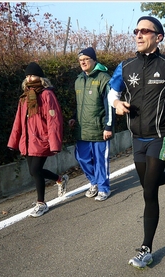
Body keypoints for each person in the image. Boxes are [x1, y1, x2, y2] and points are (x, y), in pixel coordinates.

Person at [108, 16, 165, 269]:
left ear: (158, 37)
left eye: (145, 31)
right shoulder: (125, 66)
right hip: (137, 137)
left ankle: (146, 249)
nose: (138, 35)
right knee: (148, 182)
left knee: (149, 190)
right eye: (136, 30)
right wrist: (116, 103)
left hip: (162, 135)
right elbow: (111, 92)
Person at [7, 62, 68, 217]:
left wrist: (54, 143)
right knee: (34, 171)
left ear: (40, 77)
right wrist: (13, 142)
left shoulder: (47, 94)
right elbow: (18, 121)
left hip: (42, 140)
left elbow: (54, 120)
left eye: (32, 75)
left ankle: (41, 203)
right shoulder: (25, 96)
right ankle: (60, 179)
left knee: (35, 170)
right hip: (26, 142)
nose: (29, 78)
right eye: (27, 76)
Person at [69, 47, 114, 201]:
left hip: (99, 128)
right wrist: (74, 117)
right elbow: (79, 104)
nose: (83, 62)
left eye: (86, 59)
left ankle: (103, 188)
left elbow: (110, 105)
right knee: (82, 157)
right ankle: (94, 182)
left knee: (100, 160)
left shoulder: (104, 78)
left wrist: (108, 126)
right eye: (81, 60)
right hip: (82, 129)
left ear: (94, 60)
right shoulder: (78, 80)